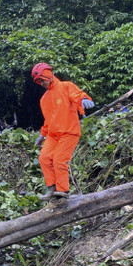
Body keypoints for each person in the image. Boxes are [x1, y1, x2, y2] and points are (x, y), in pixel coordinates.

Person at [31, 63, 94, 201]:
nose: (42, 83)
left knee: (59, 160)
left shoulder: (66, 86)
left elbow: (77, 95)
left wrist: (84, 99)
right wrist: (42, 134)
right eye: (39, 82)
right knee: (44, 158)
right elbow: (48, 120)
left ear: (48, 75)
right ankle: (52, 189)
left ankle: (63, 191)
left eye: (42, 79)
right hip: (53, 135)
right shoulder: (44, 99)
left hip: (69, 132)